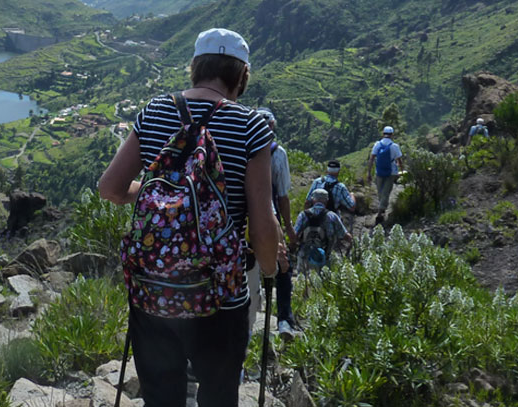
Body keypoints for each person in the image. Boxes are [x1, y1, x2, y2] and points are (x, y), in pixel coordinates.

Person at [99, 27, 280, 407]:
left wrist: (152, 195)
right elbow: (263, 224)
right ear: (241, 76)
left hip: (153, 290)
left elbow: (111, 188)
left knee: (162, 399)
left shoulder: (154, 112)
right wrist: (269, 269)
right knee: (217, 396)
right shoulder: (251, 127)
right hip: (220, 296)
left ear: (195, 67)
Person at [256, 108, 298, 337]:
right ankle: (284, 319)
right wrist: (288, 228)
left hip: (237, 220)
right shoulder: (278, 153)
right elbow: (282, 195)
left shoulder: (242, 148)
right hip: (268, 217)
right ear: (272, 126)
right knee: (283, 268)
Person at [294, 188, 351, 274]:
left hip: (304, 257)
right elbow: (345, 235)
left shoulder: (303, 215)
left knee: (303, 284)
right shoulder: (332, 216)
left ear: (313, 200)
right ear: (326, 201)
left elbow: (294, 235)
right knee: (322, 284)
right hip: (324, 257)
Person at [367, 126, 404, 224]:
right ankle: (381, 211)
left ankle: (381, 208)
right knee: (386, 192)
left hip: (379, 171)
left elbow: (371, 159)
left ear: (383, 133)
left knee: (380, 191)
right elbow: (399, 160)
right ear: (392, 135)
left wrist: (369, 173)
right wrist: (402, 171)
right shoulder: (394, 146)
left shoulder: (377, 144)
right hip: (391, 172)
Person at [306, 160, 356, 227]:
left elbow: (307, 202)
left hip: (314, 219)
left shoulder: (317, 182)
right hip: (332, 220)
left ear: (327, 170)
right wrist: (352, 195)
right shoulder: (340, 187)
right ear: (338, 171)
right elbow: (352, 207)